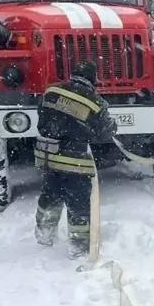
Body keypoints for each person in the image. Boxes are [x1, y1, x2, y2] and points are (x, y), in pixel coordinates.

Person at [34, 61, 117, 259]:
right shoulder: (96, 102)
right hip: (75, 162)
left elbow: (42, 120)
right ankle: (79, 245)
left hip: (49, 156)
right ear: (93, 79)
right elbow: (105, 133)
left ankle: (44, 234)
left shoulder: (51, 92)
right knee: (78, 203)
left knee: (50, 194)